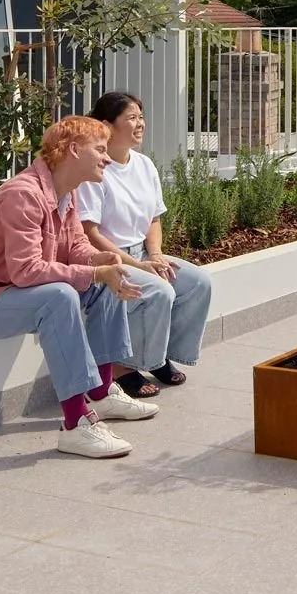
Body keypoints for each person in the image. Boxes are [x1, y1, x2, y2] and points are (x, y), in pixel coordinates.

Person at [0, 113, 157, 458]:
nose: (105, 157)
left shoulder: (65, 193)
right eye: (99, 149)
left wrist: (101, 262)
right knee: (59, 296)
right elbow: (26, 270)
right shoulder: (23, 195)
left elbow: (74, 248)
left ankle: (101, 392)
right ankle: (75, 424)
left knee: (107, 281)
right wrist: (92, 273)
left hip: (11, 292)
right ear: (73, 150)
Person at [76, 90, 212, 396]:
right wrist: (139, 265)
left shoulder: (144, 165)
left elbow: (154, 218)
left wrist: (156, 254)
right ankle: (124, 367)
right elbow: (90, 233)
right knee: (159, 291)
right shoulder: (95, 169)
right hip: (107, 258)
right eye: (132, 118)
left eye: (141, 117)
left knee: (197, 283)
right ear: (106, 125)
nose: (140, 124)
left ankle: (158, 355)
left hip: (142, 251)